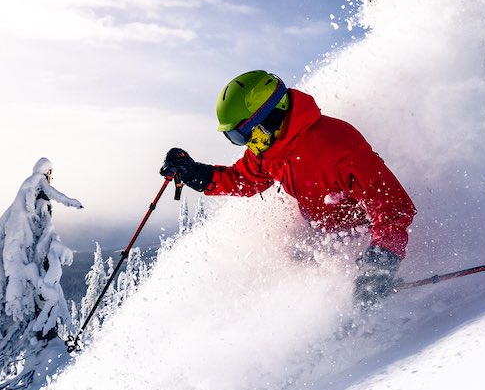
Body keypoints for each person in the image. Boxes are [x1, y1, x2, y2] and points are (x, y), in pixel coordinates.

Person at [160, 70, 416, 306]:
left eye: (241, 135)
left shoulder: (338, 144)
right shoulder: (269, 151)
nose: (245, 144)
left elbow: (392, 207)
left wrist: (380, 262)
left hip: (364, 241)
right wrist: (194, 173)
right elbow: (242, 179)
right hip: (320, 239)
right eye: (235, 138)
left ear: (269, 116)